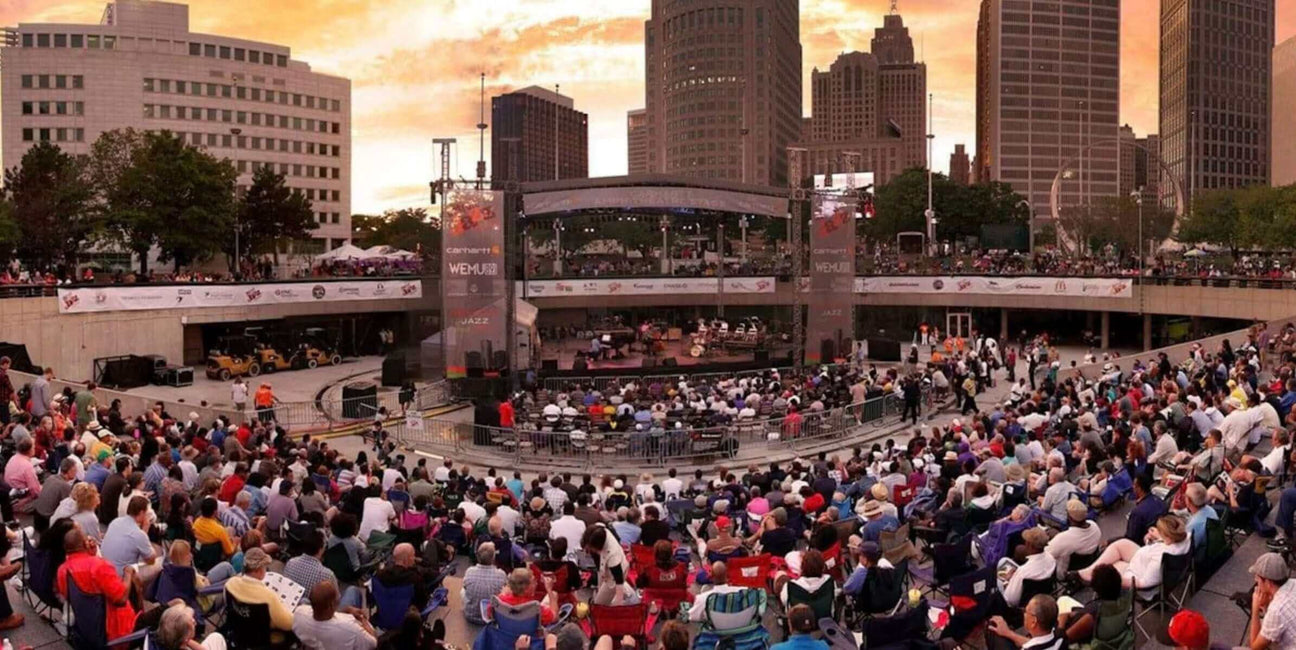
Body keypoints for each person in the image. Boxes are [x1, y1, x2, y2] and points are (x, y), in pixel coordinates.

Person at [57, 526, 138, 641]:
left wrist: (91, 554)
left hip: (86, 628)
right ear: (85, 544)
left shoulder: (62, 570)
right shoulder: (99, 566)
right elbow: (121, 599)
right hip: (118, 631)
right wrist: (128, 573)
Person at [1074, 516, 1191, 589]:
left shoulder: (1160, 558)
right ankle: (1086, 572)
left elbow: (1144, 583)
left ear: (1168, 536)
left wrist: (1116, 580)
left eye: (1161, 531)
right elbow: (1166, 545)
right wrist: (1158, 538)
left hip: (1138, 574)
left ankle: (1089, 576)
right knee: (1121, 544)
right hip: (1143, 558)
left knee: (1109, 568)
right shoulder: (1184, 538)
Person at [224, 548, 294, 643]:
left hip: (238, 634)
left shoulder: (230, 584)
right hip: (262, 641)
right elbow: (288, 624)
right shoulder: (268, 597)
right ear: (260, 571)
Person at [292, 581, 378, 650]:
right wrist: (363, 619)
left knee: (303, 600)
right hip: (344, 633)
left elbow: (323, 613)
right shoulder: (351, 628)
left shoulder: (299, 613)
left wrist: (347, 610)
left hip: (317, 643)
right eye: (336, 600)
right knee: (353, 590)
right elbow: (373, 643)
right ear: (331, 605)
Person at [101, 496, 161, 584]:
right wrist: (145, 530)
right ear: (141, 513)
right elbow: (150, 560)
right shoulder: (138, 534)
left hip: (105, 569)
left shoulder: (115, 522)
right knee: (160, 564)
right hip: (121, 576)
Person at [998, 528, 1056, 608]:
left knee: (1002, 565)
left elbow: (1011, 600)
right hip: (1042, 593)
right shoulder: (1051, 559)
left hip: (1022, 604)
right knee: (1004, 561)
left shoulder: (1023, 572)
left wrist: (1007, 581)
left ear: (1029, 545)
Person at [1248, 552, 1295, 650]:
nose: (1255, 580)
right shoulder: (1294, 583)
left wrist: (1255, 610)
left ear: (1268, 582)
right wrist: (1266, 607)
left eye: (1258, 578)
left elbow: (1255, 647)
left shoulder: (1276, 610)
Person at [1044, 500, 1102, 577]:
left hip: (1065, 572)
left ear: (1070, 517)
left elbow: (1046, 554)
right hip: (1089, 562)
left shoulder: (1064, 539)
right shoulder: (1094, 525)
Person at [987, 594, 1065, 650]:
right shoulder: (1061, 638)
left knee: (992, 628)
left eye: (1026, 611)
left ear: (1034, 622)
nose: (1024, 614)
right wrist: (1008, 633)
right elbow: (1038, 643)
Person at [461, 543, 508, 625]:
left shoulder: (470, 571)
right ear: (493, 558)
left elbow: (465, 587)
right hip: (491, 617)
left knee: (463, 590)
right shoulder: (501, 574)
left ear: (478, 556)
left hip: (470, 616)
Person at [156, 602, 228, 650]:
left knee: (216, 637)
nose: (195, 622)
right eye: (192, 622)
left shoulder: (165, 638)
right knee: (217, 638)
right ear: (185, 639)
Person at [31, 458, 77, 532]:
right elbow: (67, 507)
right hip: (46, 521)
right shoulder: (64, 486)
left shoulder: (50, 477)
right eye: (75, 471)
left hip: (37, 515)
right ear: (69, 471)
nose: (76, 473)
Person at [3, 439, 41, 513]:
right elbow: (35, 491)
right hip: (20, 498)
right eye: (33, 447)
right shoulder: (27, 466)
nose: (34, 448)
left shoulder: (13, 458)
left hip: (9, 493)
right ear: (29, 450)